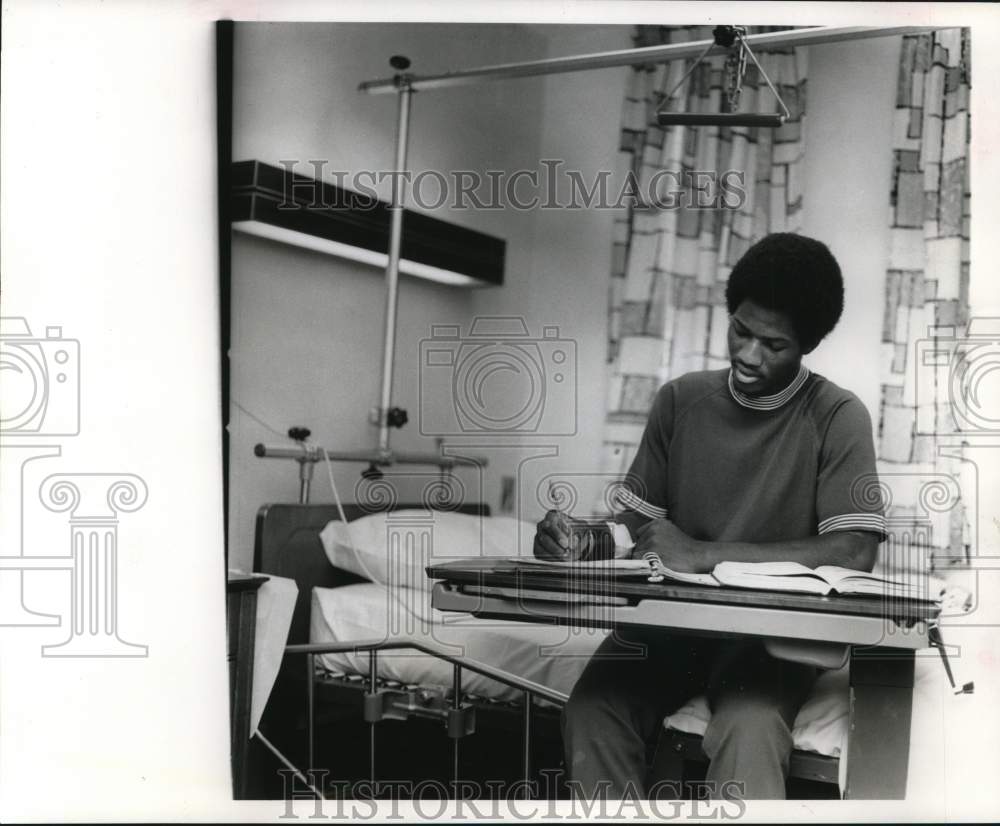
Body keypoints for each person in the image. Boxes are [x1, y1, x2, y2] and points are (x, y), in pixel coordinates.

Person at [534, 232, 886, 800]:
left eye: (774, 345)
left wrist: (702, 554)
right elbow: (632, 528)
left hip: (770, 641)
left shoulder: (837, 416)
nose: (749, 356)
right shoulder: (681, 401)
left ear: (806, 346)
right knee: (593, 710)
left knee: (748, 730)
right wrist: (582, 541)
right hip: (668, 630)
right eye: (741, 332)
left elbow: (853, 551)